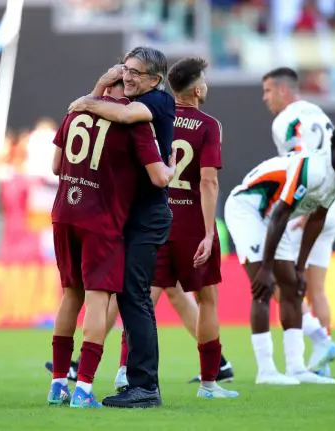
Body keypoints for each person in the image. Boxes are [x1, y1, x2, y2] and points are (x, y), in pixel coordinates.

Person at [111, 57, 238, 399]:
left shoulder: (152, 114)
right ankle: (210, 383)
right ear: (197, 89)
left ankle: (125, 372)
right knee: (207, 299)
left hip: (153, 220)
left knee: (140, 300)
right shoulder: (209, 125)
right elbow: (208, 181)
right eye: (205, 82)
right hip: (191, 225)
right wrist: (210, 233)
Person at [48, 79, 175, 408]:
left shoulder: (76, 111)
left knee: (70, 296)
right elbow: (159, 177)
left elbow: (55, 166)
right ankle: (83, 390)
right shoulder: (134, 121)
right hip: (101, 219)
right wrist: (172, 166)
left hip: (64, 212)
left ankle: (58, 384)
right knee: (97, 300)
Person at [224, 123, 335, 385]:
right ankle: (266, 370)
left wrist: (300, 267)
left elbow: (316, 220)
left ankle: (296, 367)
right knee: (262, 286)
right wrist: (267, 268)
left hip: (274, 216)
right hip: (248, 208)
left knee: (293, 285)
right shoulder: (313, 168)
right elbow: (280, 213)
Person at [262, 67, 335, 375]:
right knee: (318, 290)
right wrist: (334, 209)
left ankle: (318, 340)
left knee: (282, 283)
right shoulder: (320, 114)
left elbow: (299, 168)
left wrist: (308, 210)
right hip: (330, 206)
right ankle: (324, 364)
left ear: (283, 90)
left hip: (306, 209)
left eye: (268, 91)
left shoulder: (286, 122)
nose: (265, 98)